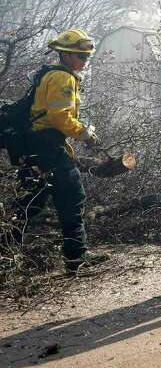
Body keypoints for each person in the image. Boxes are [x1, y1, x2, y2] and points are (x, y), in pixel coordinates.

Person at [17, 29, 106, 274]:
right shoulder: (63, 78)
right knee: (72, 197)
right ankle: (77, 258)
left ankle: (7, 247)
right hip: (47, 147)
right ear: (65, 55)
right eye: (80, 56)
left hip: (38, 146)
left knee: (30, 202)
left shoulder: (53, 75)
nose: (84, 61)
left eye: (87, 56)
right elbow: (60, 117)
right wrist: (85, 134)